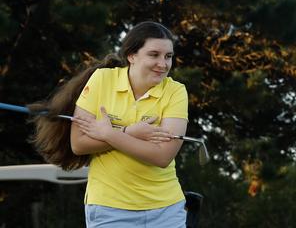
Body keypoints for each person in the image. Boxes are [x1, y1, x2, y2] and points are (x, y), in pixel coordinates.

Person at [30, 21, 188, 228]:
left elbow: (162, 156)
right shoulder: (102, 80)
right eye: (154, 55)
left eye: (168, 56)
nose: (163, 63)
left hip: (166, 209)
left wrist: (109, 134)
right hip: (109, 209)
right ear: (132, 56)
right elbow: (78, 143)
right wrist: (129, 131)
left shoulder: (175, 91)